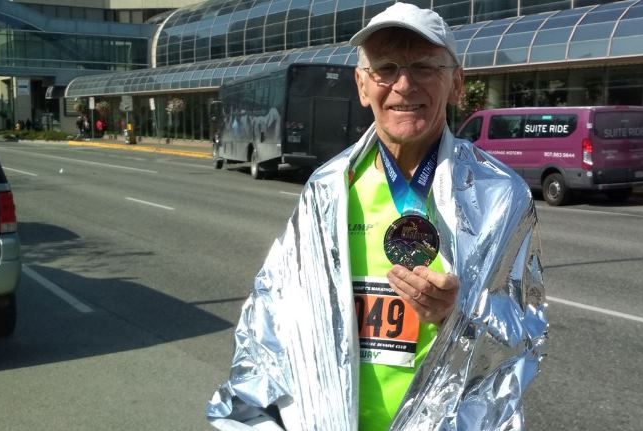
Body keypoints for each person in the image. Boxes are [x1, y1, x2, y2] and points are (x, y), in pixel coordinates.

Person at [207, 3, 547, 430]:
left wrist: (456, 314)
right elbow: (274, 314)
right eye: (385, 68)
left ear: (456, 83)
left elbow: (521, 337)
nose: (404, 85)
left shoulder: (499, 194)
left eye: (424, 67)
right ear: (362, 86)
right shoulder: (328, 188)